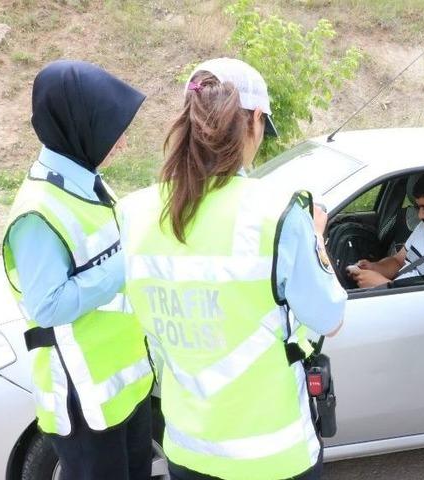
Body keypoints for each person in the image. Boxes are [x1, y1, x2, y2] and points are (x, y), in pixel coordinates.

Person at [118, 58, 347, 480]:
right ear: (255, 120)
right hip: (275, 456)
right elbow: (330, 317)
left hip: (188, 450)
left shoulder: (134, 212)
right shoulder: (277, 212)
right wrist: (316, 236)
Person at [2, 60, 155, 479]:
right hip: (84, 402)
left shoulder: (86, 180)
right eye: (110, 128)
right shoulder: (37, 213)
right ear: (77, 124)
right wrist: (128, 265)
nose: (120, 142)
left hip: (125, 388)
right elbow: (48, 305)